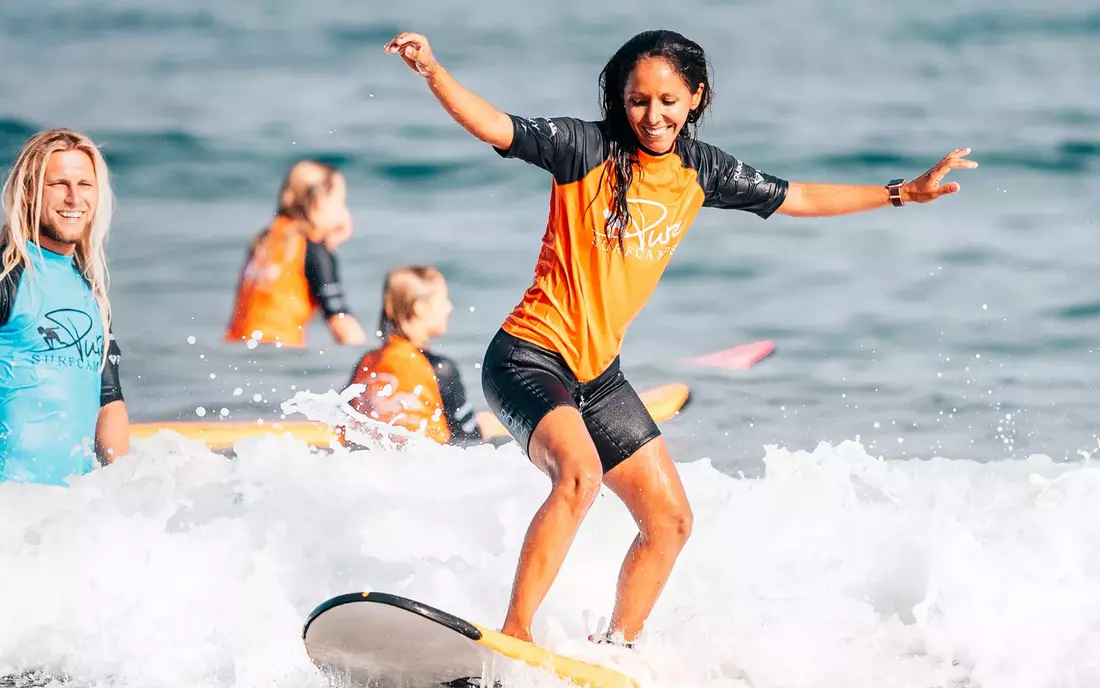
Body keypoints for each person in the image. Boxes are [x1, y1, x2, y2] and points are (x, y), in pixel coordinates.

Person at [384, 29, 977, 645]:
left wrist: (903, 192)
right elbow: (494, 125)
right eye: (638, 100)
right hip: (527, 359)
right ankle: (514, 635)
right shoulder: (583, 149)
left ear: (694, 97)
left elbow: (796, 195)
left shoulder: (701, 171)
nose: (653, 115)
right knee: (579, 475)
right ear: (621, 99)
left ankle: (614, 652)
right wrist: (434, 71)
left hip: (598, 376)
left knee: (669, 522)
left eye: (668, 100)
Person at [0, 129, 130, 486]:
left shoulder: (90, 291)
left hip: (65, 520)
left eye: (84, 185)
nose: (74, 198)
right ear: (29, 192)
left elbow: (109, 401)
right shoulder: (7, 277)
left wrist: (126, 495)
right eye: (59, 184)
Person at [225, 159, 367, 348]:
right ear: (318, 204)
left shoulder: (265, 242)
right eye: (340, 203)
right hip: (277, 354)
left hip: (237, 349)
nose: (344, 212)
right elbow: (341, 322)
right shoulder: (312, 248)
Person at [346, 265, 489, 446]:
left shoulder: (367, 363)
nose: (449, 307)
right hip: (425, 464)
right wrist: (486, 427)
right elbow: (469, 438)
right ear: (420, 308)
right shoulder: (440, 368)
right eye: (443, 299)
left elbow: (341, 419)